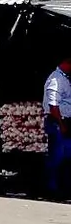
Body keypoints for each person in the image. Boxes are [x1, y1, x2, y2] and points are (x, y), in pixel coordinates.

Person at [44, 54, 71, 198]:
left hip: (64, 121)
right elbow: (53, 106)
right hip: (57, 122)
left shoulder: (65, 78)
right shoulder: (56, 79)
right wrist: (62, 124)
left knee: (66, 156)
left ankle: (63, 187)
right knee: (57, 156)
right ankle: (52, 189)